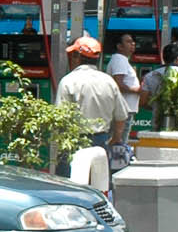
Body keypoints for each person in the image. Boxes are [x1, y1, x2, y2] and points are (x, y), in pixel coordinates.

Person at [54, 35, 128, 169]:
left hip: (74, 142)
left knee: (68, 185)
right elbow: (121, 116)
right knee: (99, 183)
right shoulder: (109, 81)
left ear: (77, 56)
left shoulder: (68, 81)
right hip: (101, 141)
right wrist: (116, 138)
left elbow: (60, 118)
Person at [106, 31, 143, 122]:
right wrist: (136, 90)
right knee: (121, 136)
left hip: (126, 108)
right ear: (120, 46)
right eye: (128, 42)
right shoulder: (119, 60)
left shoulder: (122, 60)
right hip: (124, 109)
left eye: (133, 41)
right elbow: (118, 84)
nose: (133, 43)